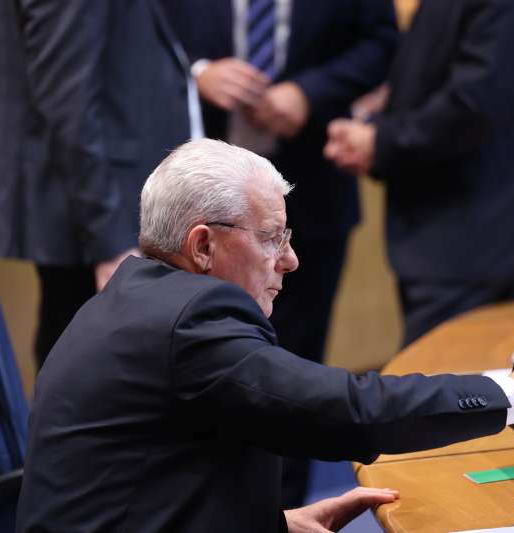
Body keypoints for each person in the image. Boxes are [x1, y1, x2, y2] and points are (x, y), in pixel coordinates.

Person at [17, 139, 514, 533]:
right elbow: (346, 412)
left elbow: (153, 480)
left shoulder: (142, 296)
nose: (290, 259)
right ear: (202, 245)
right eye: (272, 237)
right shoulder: (190, 318)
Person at [160, 0, 397, 507]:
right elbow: (141, 35)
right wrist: (196, 73)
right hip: (192, 196)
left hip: (313, 190)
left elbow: (381, 43)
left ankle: (284, 512)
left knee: (295, 370)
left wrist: (310, 93)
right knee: (197, 366)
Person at [324, 0, 514, 346]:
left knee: (448, 375)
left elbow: (474, 104)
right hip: (440, 230)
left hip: (475, 236)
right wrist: (383, 115)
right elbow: (439, 64)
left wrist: (380, 142)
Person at [0, 0, 201, 368]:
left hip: (104, 201)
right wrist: (109, 238)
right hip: (97, 212)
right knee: (91, 375)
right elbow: (67, 98)